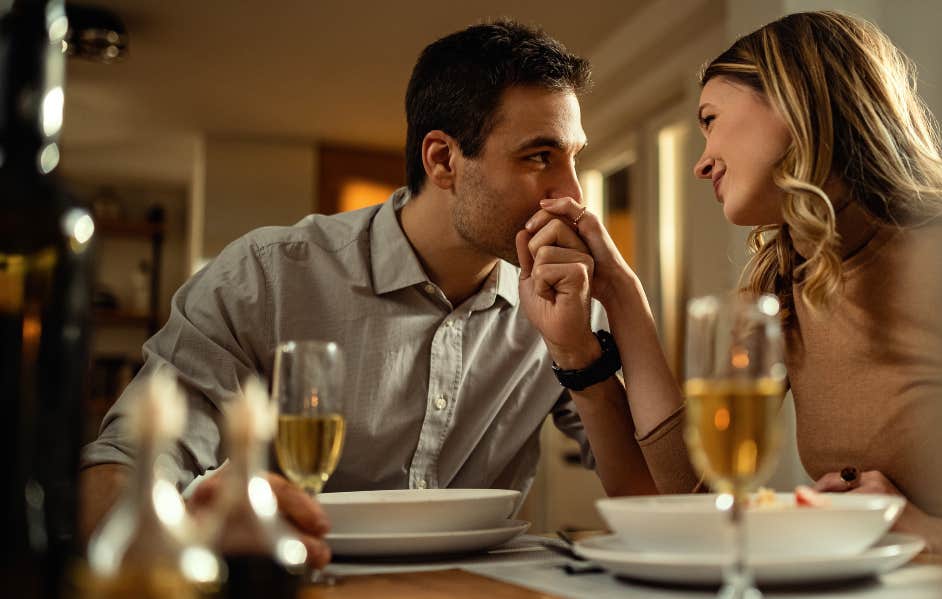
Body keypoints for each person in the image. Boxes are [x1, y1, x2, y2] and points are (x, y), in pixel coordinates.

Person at [521, 10, 942, 555]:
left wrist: (930, 532)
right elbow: (690, 493)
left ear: (793, 101)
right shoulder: (788, 286)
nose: (700, 159)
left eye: (710, 119)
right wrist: (621, 296)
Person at [79, 20, 661, 568]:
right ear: (443, 160)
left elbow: (655, 504)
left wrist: (580, 357)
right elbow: (113, 478)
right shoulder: (265, 278)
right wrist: (190, 517)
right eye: (540, 157)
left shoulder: (561, 302)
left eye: (573, 158)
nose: (572, 193)